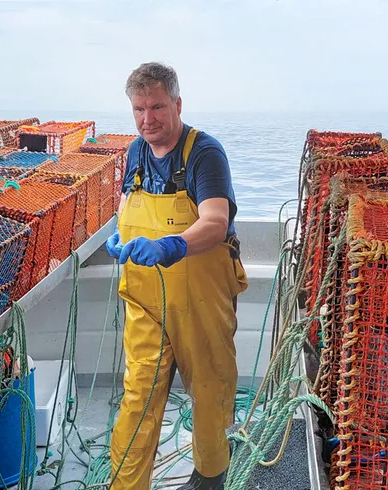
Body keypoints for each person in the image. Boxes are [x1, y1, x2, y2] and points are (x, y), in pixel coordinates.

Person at [104, 62, 249, 490]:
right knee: (138, 397)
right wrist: (120, 237)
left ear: (178, 104)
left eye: (157, 107)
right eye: (138, 109)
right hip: (146, 300)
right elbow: (130, 210)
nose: (147, 119)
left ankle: (208, 479)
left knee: (208, 390)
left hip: (200, 298)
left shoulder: (204, 153)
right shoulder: (134, 152)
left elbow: (215, 220)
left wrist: (172, 245)